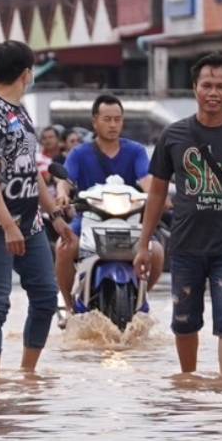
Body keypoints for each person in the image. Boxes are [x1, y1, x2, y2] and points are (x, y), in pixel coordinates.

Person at [136, 52, 222, 376]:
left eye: (221, 86)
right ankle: (188, 385)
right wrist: (143, 243)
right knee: (184, 321)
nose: (213, 93)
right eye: (207, 85)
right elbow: (156, 193)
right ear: (195, 88)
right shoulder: (173, 135)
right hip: (184, 245)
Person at [0, 40, 62, 376]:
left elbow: (29, 169)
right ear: (27, 73)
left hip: (32, 223)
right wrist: (8, 225)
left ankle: (27, 375)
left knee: (46, 297)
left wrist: (53, 213)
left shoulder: (20, 112)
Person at [64, 92, 163, 300]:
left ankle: (140, 297)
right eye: (107, 119)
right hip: (88, 220)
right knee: (63, 247)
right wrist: (62, 195)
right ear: (94, 122)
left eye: (117, 120)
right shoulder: (79, 153)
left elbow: (147, 180)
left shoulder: (136, 151)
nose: (113, 125)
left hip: (130, 220)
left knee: (158, 252)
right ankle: (68, 303)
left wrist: (157, 196)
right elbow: (65, 180)